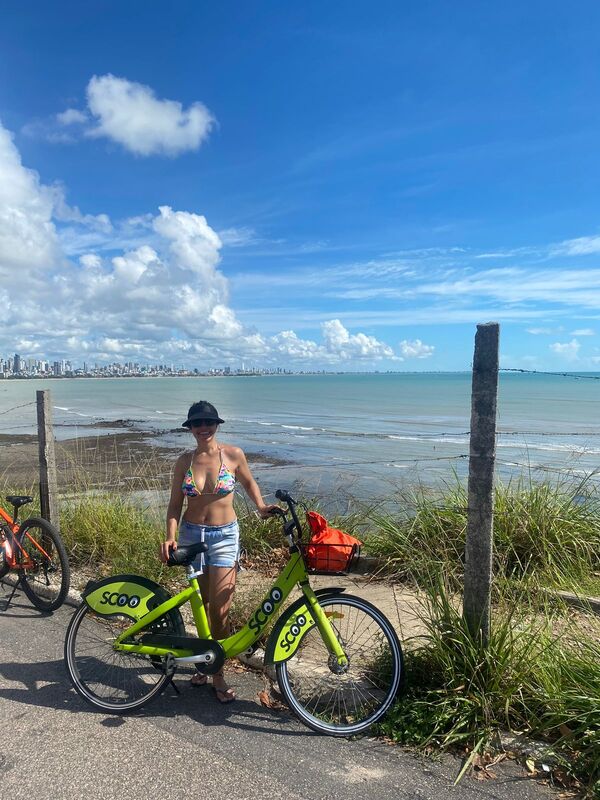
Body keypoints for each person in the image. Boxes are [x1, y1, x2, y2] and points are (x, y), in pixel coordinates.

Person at [159, 400, 279, 703]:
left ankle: (218, 673)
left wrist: (262, 507)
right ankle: (203, 660)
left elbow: (249, 482)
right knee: (203, 605)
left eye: (208, 423)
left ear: (216, 425)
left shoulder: (233, 454)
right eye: (196, 424)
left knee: (220, 610)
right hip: (191, 535)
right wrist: (170, 538)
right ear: (190, 428)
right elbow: (175, 506)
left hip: (225, 536)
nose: (203, 428)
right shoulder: (184, 461)